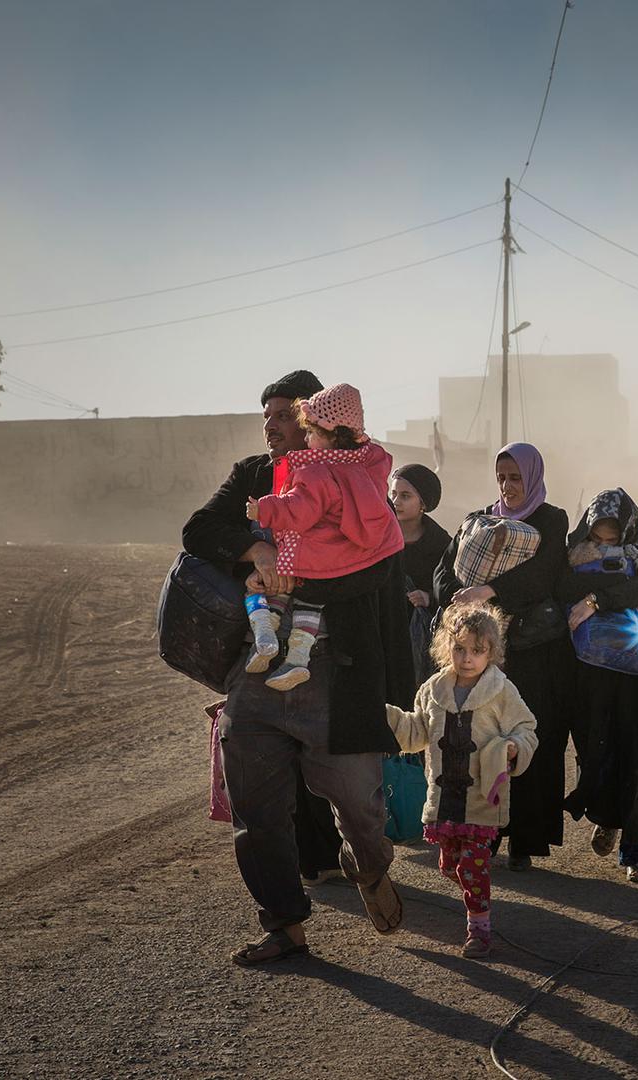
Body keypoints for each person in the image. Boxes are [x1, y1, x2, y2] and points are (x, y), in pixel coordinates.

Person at [182, 370, 413, 963]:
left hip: (337, 671)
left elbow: (379, 568)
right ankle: (284, 924)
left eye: (286, 416)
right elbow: (198, 531)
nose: (274, 427)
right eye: (268, 417)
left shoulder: (358, 476)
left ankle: (369, 866)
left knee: (360, 807)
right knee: (255, 808)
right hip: (258, 671)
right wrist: (257, 549)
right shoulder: (253, 477)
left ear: (318, 424)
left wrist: (302, 581)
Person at [433, 442, 571, 871]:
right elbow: (444, 568)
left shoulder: (551, 519)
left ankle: (525, 839)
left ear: (532, 477)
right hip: (483, 655)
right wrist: (457, 597)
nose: (507, 486)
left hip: (533, 652)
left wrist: (488, 591)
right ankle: (484, 836)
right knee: (481, 739)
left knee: (526, 736)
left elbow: (543, 574)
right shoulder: (478, 521)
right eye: (501, 478)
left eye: (515, 478)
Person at [386, 604, 538, 959]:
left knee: (471, 867)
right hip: (443, 799)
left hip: (482, 798)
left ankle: (479, 928)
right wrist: (388, 717)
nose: (467, 658)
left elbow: (526, 728)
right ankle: (476, 892)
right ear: (445, 647)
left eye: (477, 650)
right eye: (459, 648)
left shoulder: (502, 691)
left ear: (492, 651)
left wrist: (513, 747)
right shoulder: (433, 688)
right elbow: (417, 733)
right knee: (448, 866)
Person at [243, 382, 404, 690]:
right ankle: (297, 659)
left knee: (270, 589)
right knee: (310, 601)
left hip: (313, 568)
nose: (306, 439)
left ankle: (264, 635)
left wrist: (263, 509)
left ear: (330, 434)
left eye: (311, 432)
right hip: (349, 568)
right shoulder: (368, 465)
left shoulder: (316, 471)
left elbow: (299, 509)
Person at [558, 489, 638, 884]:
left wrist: (596, 598)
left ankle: (635, 851)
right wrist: (605, 588)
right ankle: (606, 816)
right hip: (590, 664)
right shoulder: (573, 548)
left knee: (637, 750)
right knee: (593, 744)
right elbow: (560, 587)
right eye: (598, 537)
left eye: (612, 537)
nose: (604, 543)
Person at [389, 463, 451, 686]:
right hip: (384, 627)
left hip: (418, 637)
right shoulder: (380, 534)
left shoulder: (441, 544)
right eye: (393, 494)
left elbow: (451, 588)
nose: (396, 502)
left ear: (423, 503)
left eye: (405, 496)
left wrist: (429, 597)